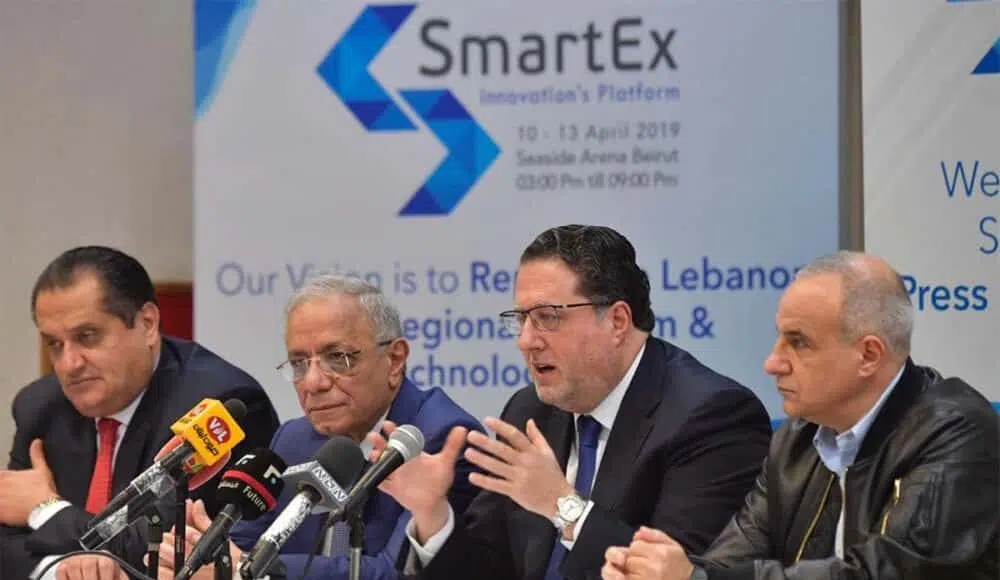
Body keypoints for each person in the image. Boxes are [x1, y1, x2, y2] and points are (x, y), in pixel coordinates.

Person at [369, 224, 773, 580]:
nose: (525, 340)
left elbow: (681, 571)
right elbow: (489, 567)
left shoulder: (711, 416)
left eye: (547, 317)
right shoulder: (530, 412)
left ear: (617, 321)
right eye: (521, 319)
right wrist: (432, 513)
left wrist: (564, 507)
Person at [600, 251, 1000, 580]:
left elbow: (883, 573)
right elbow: (731, 559)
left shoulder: (956, 433)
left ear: (868, 355)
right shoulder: (797, 440)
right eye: (780, 337)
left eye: (799, 343)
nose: (772, 363)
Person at [154, 275, 484, 580]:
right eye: (298, 363)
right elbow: (244, 545)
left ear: (395, 360)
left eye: (338, 357)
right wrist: (203, 550)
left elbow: (394, 574)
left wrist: (244, 571)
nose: (313, 382)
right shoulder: (294, 439)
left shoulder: (441, 441)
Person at [0, 245, 281, 580]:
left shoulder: (218, 407)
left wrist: (45, 509)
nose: (68, 364)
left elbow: (159, 546)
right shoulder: (41, 408)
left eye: (87, 337)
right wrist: (62, 571)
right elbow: (7, 544)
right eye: (55, 344)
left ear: (147, 323)